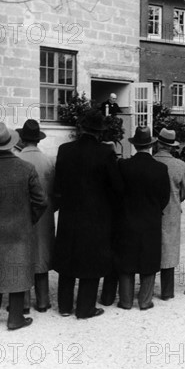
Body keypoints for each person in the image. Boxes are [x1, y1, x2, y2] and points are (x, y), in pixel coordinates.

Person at [0, 123, 47, 330]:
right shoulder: (26, 169)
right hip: (20, 230)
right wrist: (28, 220)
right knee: (18, 270)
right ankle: (15, 318)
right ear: (12, 143)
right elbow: (41, 201)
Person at [53, 110, 124, 319]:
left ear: (81, 128)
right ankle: (85, 307)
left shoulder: (64, 150)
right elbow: (117, 187)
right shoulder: (105, 152)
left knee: (68, 256)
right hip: (95, 214)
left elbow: (58, 184)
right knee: (91, 259)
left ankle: (65, 306)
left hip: (69, 212)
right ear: (100, 132)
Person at [116, 127, 169, 310]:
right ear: (151, 145)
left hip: (127, 219)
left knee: (126, 260)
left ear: (135, 145)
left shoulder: (123, 166)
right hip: (151, 220)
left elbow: (118, 192)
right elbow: (165, 197)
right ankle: (145, 301)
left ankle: (125, 300)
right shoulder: (161, 169)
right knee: (149, 260)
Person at [16, 120, 56, 312]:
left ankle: (23, 302)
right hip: (45, 213)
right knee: (41, 254)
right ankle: (43, 300)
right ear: (38, 140)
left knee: (23, 255)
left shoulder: (16, 160)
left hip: (21, 214)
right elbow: (56, 190)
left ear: (22, 139)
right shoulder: (49, 161)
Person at [154, 128, 185, 301]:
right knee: (169, 249)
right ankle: (167, 291)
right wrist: (175, 200)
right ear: (172, 147)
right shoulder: (181, 166)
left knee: (151, 245)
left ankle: (147, 287)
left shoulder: (151, 161)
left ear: (158, 144)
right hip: (172, 210)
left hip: (151, 210)